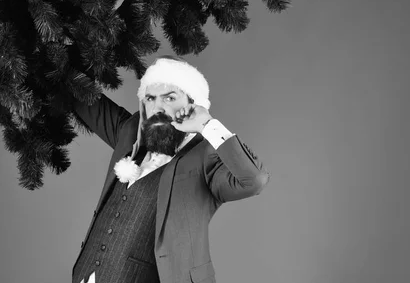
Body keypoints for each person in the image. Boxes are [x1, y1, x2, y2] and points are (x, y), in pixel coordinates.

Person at [70, 55, 270, 283]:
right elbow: (82, 96)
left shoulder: (207, 157)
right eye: (150, 98)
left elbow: (254, 180)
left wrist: (207, 125)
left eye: (170, 97)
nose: (158, 107)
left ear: (192, 102)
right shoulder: (130, 131)